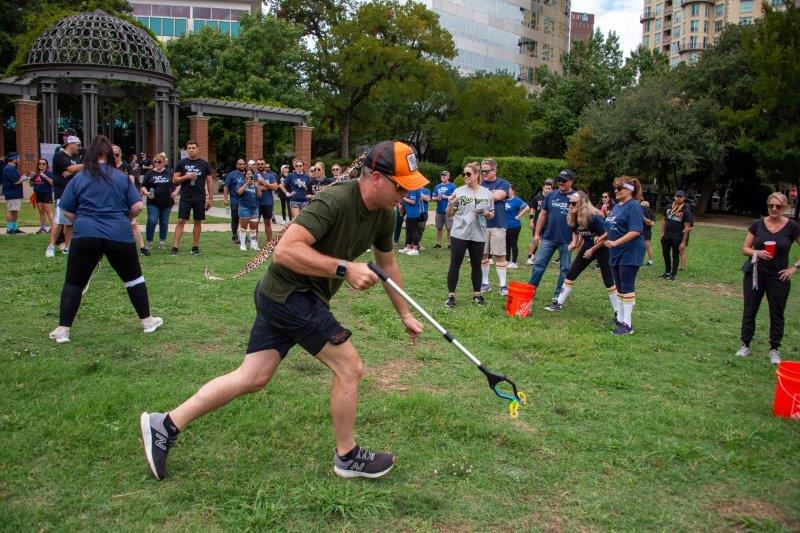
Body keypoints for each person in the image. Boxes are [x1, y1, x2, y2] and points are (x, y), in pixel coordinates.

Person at [139, 140, 426, 481]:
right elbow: (285, 251)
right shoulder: (333, 201)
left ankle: (164, 424)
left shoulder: (384, 215)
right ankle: (347, 456)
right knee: (349, 366)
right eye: (401, 186)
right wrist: (344, 268)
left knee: (252, 377)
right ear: (376, 178)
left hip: (282, 296)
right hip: (291, 295)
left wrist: (405, 314)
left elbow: (388, 265)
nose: (405, 194)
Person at [48, 135, 163, 344]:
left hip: (86, 234)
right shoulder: (121, 177)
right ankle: (147, 322)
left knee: (74, 283)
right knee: (134, 279)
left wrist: (82, 221)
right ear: (110, 153)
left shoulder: (79, 178)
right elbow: (138, 206)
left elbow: (66, 209)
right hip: (118, 233)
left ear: (89, 153)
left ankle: (63, 330)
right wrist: (124, 218)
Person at [737, 192, 800, 364]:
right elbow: (745, 248)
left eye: (778, 206)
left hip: (778, 277)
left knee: (777, 313)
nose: (774, 209)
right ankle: (745, 345)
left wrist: (794, 267)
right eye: (771, 205)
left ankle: (774, 349)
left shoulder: (792, 227)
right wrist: (757, 252)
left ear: (785, 207)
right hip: (755, 274)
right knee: (750, 310)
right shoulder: (757, 224)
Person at [546, 192, 617, 317]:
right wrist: (574, 242)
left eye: (573, 203)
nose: (570, 206)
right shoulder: (573, 216)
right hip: (588, 247)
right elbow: (575, 231)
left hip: (602, 248)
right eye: (569, 203)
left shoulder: (594, 217)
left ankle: (618, 312)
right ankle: (559, 303)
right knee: (571, 274)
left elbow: (607, 236)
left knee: (608, 281)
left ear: (582, 204)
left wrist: (593, 249)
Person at [444, 162, 494, 308]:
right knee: (455, 264)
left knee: (476, 264)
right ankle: (451, 296)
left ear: (477, 174)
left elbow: (492, 213)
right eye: (463, 174)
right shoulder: (458, 191)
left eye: (468, 174)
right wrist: (451, 204)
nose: (465, 176)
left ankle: (477, 295)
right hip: (459, 233)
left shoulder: (487, 193)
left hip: (478, 234)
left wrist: (487, 213)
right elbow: (449, 214)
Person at [604, 176, 645, 335]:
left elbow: (635, 231)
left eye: (619, 188)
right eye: (615, 188)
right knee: (619, 286)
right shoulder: (617, 206)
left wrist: (615, 242)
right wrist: (603, 237)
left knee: (626, 286)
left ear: (629, 190)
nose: (616, 191)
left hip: (630, 251)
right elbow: (613, 226)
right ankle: (620, 319)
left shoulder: (634, 206)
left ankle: (627, 324)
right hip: (616, 252)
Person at [529, 170, 576, 307]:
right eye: (559, 180)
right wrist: (537, 233)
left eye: (564, 180)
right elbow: (543, 215)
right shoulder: (551, 195)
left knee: (565, 269)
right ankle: (530, 291)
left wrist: (576, 239)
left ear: (571, 181)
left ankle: (558, 297)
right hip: (549, 237)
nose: (561, 183)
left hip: (566, 240)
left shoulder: (576, 197)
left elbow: (582, 217)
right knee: (538, 265)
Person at [171, 140, 214, 256]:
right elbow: (175, 180)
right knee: (181, 220)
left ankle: (195, 246)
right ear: (187, 150)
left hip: (199, 197)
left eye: (193, 148)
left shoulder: (204, 164)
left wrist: (210, 199)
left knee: (197, 221)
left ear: (198, 149)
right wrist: (187, 176)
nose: (191, 150)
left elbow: (209, 181)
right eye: (189, 148)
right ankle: (175, 247)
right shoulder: (182, 163)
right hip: (186, 196)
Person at [478, 159, 511, 296]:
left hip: (498, 224)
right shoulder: (479, 183)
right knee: (483, 254)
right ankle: (485, 283)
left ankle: (503, 285)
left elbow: (498, 196)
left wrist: (480, 196)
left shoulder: (503, 183)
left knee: (500, 254)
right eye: (482, 171)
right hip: (481, 225)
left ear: (494, 170)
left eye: (486, 171)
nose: (484, 173)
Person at [47, 136, 84, 256]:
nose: (79, 147)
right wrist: (75, 169)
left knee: (69, 222)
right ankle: (51, 247)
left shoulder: (76, 157)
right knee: (59, 220)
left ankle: (67, 247)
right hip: (62, 193)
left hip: (75, 193)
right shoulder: (60, 155)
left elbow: (77, 170)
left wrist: (73, 171)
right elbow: (72, 168)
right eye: (77, 144)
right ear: (71, 144)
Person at [113, 145, 149, 256]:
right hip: (111, 199)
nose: (115, 157)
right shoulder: (107, 166)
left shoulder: (126, 166)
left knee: (132, 223)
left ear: (120, 154)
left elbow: (131, 182)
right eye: (112, 154)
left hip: (124, 198)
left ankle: (142, 248)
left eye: (117, 154)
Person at [140, 153, 177, 250]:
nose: (157, 163)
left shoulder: (169, 173)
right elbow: (143, 186)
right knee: (152, 221)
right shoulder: (149, 173)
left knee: (164, 222)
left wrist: (175, 192)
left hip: (167, 202)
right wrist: (146, 193)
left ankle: (162, 241)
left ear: (164, 162)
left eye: (159, 161)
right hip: (153, 202)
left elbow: (178, 183)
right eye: (155, 162)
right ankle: (149, 242)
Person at [659, 190, 692, 281]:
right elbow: (664, 221)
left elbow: (687, 227)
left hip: (677, 237)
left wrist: (683, 242)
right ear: (674, 197)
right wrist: (662, 232)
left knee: (675, 255)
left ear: (684, 198)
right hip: (666, 235)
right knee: (665, 253)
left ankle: (673, 275)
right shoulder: (668, 207)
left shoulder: (686, 210)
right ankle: (667, 272)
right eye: (677, 196)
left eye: (680, 197)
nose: (678, 198)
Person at [526, 179, 553, 265]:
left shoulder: (553, 198)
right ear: (543, 188)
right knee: (535, 240)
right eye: (546, 188)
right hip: (538, 223)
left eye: (549, 188)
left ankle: (538, 257)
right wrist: (531, 221)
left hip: (549, 224)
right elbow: (532, 209)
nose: (547, 190)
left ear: (552, 189)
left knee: (545, 242)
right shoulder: (537, 198)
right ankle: (529, 257)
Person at [236, 167, 262, 251]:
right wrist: (247, 183)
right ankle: (243, 244)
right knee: (243, 227)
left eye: (251, 174)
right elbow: (239, 192)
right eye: (247, 174)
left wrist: (257, 187)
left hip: (254, 208)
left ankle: (253, 245)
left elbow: (259, 195)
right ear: (245, 175)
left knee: (253, 227)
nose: (249, 176)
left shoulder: (255, 184)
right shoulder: (241, 182)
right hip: (244, 208)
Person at [504, 185, 529, 269]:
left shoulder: (517, 200)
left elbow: (527, 207)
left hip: (514, 226)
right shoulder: (504, 200)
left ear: (513, 191)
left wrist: (518, 216)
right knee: (506, 244)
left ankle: (514, 262)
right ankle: (507, 260)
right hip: (505, 226)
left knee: (513, 243)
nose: (507, 191)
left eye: (509, 190)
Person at [2, 152, 26, 234]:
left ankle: (15, 228)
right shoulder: (9, 168)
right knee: (11, 211)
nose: (19, 159)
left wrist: (23, 177)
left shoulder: (12, 168)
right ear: (13, 159)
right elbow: (15, 182)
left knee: (15, 211)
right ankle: (9, 229)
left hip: (15, 193)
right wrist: (24, 178)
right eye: (18, 158)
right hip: (11, 193)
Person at [223, 160, 246, 244]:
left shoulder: (248, 174)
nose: (242, 165)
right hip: (235, 199)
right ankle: (234, 235)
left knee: (245, 218)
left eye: (243, 164)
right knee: (235, 218)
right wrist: (225, 199)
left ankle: (244, 235)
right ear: (236, 165)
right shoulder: (232, 174)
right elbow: (226, 187)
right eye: (240, 164)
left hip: (245, 200)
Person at [256, 159, 278, 243]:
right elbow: (254, 188)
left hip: (268, 202)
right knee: (255, 223)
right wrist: (269, 187)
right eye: (258, 164)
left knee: (267, 223)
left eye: (262, 164)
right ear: (256, 165)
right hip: (256, 203)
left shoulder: (270, 176)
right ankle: (255, 242)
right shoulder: (254, 176)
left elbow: (275, 187)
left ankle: (270, 242)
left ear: (265, 165)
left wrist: (264, 183)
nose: (260, 165)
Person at [432, 170, 456, 249]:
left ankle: (450, 244)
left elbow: (456, 197)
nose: (443, 176)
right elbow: (432, 198)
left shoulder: (452, 186)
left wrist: (446, 197)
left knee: (449, 228)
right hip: (439, 210)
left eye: (445, 175)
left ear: (448, 177)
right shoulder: (437, 186)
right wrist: (437, 198)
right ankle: (438, 243)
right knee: (439, 228)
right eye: (442, 175)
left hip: (448, 210)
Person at [31, 158, 55, 233]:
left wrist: (45, 176)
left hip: (46, 194)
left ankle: (54, 228)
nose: (41, 165)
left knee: (49, 212)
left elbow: (53, 183)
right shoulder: (36, 174)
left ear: (46, 165)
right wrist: (31, 178)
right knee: (41, 212)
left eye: (43, 164)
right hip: (38, 194)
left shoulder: (49, 173)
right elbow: (31, 185)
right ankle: (43, 228)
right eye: (40, 164)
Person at [399, 187, 422, 256]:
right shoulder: (410, 189)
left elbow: (413, 201)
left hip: (413, 214)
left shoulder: (413, 189)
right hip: (409, 214)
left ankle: (415, 249)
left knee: (414, 231)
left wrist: (404, 199)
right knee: (409, 231)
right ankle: (408, 247)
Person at [641, 200, 655, 266]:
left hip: (647, 231)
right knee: (640, 247)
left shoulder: (651, 214)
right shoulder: (639, 211)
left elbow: (653, 224)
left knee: (648, 246)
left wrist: (644, 219)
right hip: (639, 231)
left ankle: (650, 261)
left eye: (643, 205)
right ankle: (640, 260)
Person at [417, 185, 431, 249]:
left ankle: (419, 243)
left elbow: (428, 199)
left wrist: (420, 193)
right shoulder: (413, 189)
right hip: (415, 212)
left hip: (423, 213)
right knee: (414, 228)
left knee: (421, 228)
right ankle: (413, 244)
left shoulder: (426, 190)